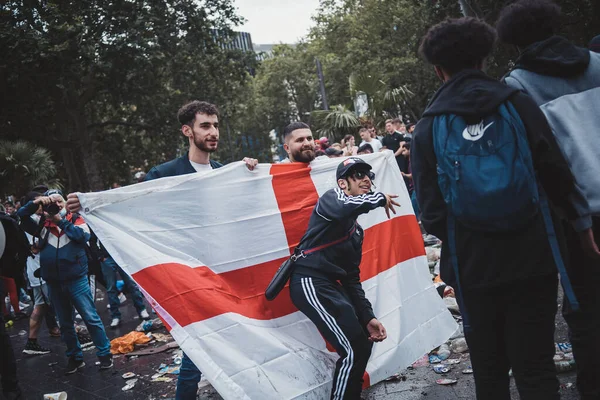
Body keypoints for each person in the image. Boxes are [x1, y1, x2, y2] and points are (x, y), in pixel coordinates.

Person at [413, 17, 579, 400]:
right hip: (532, 257)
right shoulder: (517, 104)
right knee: (536, 369)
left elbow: (431, 209)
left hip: (473, 266)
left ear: (439, 70)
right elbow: (556, 173)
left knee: (489, 373)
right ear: (484, 59)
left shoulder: (429, 125)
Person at [68, 100, 258, 400]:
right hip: (188, 277)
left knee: (231, 342)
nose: (213, 132)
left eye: (216, 125)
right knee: (199, 347)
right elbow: (131, 205)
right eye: (205, 126)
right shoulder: (165, 173)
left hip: (225, 275)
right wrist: (92, 203)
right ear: (187, 131)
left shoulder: (226, 172)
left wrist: (251, 175)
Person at [497, 2, 600, 398]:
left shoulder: (518, 85)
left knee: (585, 308)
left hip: (576, 214)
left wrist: (576, 217)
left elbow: (543, 163)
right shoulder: (596, 63)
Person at [289, 157, 398, 399]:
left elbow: (351, 279)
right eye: (357, 175)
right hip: (308, 281)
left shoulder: (356, 232)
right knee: (351, 349)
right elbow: (345, 208)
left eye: (368, 175)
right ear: (342, 183)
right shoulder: (331, 199)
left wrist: (368, 316)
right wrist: (379, 198)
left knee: (363, 342)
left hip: (329, 285)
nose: (366, 179)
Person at [18, 190, 113, 374]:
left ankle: (104, 355)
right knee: (65, 324)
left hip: (77, 280)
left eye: (59, 201)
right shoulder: (41, 224)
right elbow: (20, 216)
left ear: (65, 202)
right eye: (52, 202)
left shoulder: (76, 219)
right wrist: (36, 203)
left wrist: (59, 221)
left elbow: (82, 236)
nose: (57, 205)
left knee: (91, 318)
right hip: (53, 281)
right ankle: (75, 358)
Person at [91, 235, 149, 328]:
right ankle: (116, 316)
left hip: (120, 255)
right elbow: (92, 240)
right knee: (111, 288)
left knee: (131, 284)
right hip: (108, 257)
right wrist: (100, 257)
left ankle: (141, 309)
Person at [400, 143, 419, 219]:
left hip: (416, 187)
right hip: (413, 186)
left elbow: (413, 175)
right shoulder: (409, 161)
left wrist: (404, 174)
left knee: (414, 204)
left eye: (404, 150)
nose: (402, 153)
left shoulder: (413, 161)